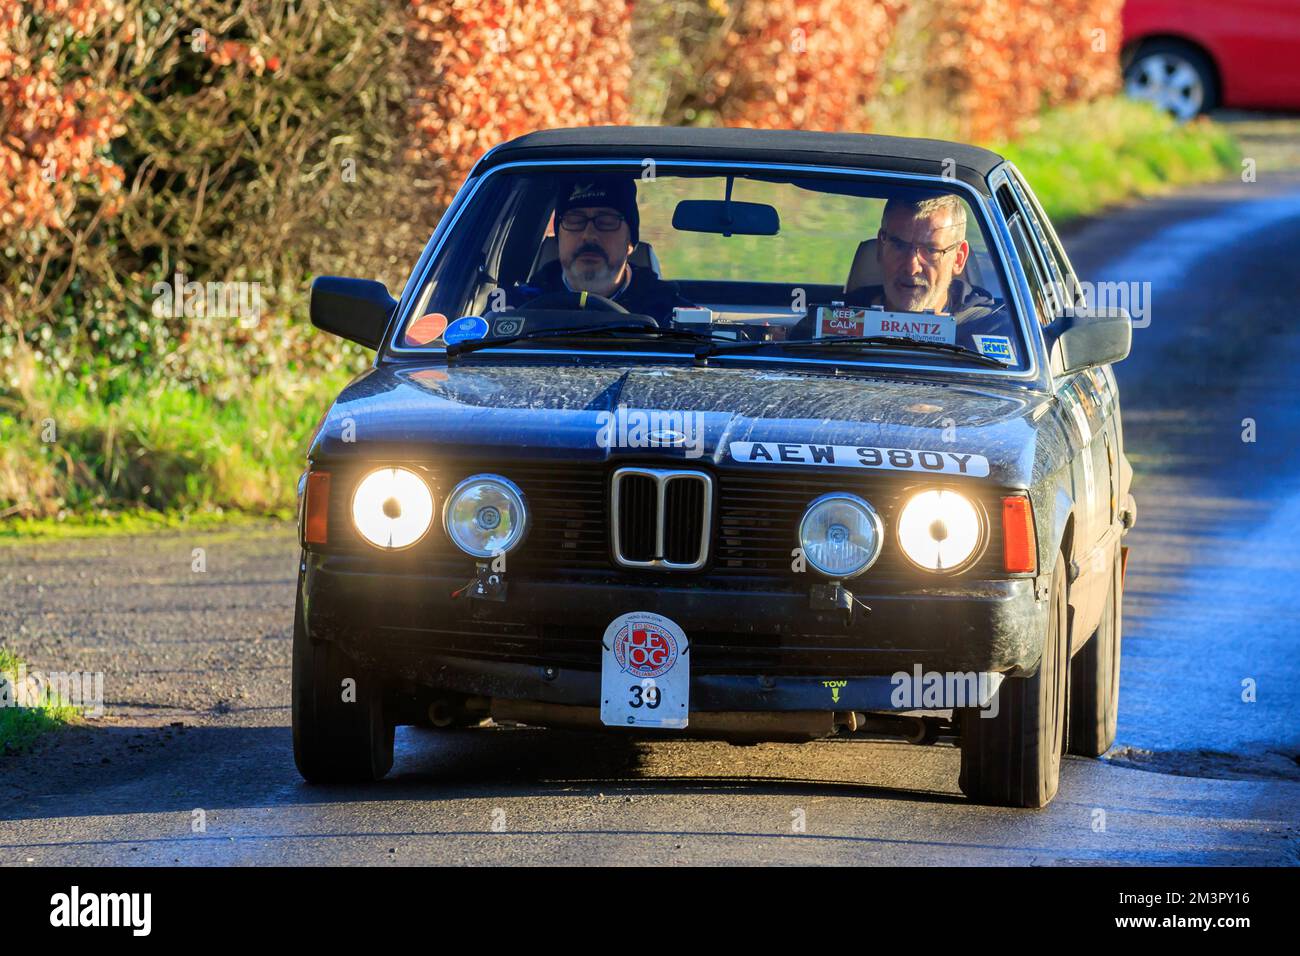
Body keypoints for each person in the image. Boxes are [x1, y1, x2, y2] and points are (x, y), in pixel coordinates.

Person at [792, 192, 1004, 339]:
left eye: (930, 250)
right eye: (899, 245)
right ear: (880, 247)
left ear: (958, 258)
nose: (912, 267)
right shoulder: (826, 328)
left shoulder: (992, 331)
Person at [507, 176, 693, 326]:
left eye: (606, 221)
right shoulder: (514, 309)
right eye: (575, 220)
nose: (589, 235)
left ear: (630, 241)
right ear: (559, 237)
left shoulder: (671, 317)